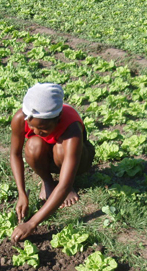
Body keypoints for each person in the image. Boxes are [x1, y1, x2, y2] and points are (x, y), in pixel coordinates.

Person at [10, 83, 95, 242]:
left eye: (43, 128)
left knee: (61, 150)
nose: (35, 132)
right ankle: (47, 181)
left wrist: (32, 223)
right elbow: (15, 154)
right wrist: (22, 194)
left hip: (79, 158)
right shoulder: (20, 118)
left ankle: (68, 183)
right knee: (33, 145)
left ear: (58, 118)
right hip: (47, 154)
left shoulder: (71, 128)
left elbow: (64, 184)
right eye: (32, 126)